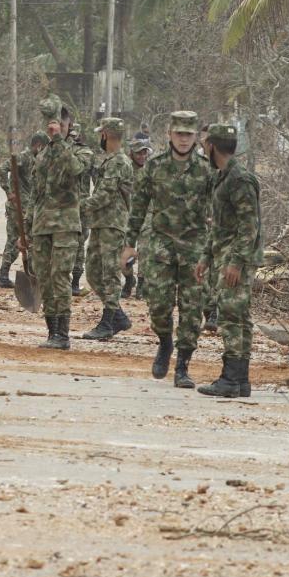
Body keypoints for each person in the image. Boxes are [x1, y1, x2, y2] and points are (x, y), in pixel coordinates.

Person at [123, 111, 214, 387]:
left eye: (189, 134)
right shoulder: (155, 167)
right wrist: (129, 244)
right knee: (159, 305)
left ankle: (183, 366)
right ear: (169, 135)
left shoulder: (206, 169)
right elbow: (138, 207)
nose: (184, 140)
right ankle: (165, 343)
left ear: (196, 136)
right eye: (179, 134)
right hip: (161, 246)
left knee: (191, 308)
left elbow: (218, 208)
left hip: (195, 247)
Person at [194, 123, 263, 397]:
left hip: (238, 259)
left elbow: (249, 226)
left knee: (233, 318)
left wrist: (235, 262)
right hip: (225, 254)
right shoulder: (222, 177)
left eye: (204, 144)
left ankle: (231, 380)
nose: (202, 147)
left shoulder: (239, 179)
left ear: (212, 146)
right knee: (239, 317)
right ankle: (240, 380)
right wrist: (206, 257)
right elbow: (220, 226)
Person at [26, 97, 83, 349]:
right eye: (52, 123)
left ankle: (63, 334)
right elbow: (35, 193)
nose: (56, 127)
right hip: (42, 226)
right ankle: (52, 332)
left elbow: (74, 170)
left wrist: (59, 140)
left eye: (61, 123)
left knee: (60, 276)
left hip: (65, 226)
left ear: (68, 125)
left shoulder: (79, 150)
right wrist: (26, 228)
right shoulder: (42, 154)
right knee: (44, 278)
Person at [79, 118, 136, 341]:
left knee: (110, 274)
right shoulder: (109, 160)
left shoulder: (119, 162)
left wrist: (79, 207)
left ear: (105, 135)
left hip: (113, 225)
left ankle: (108, 321)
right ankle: (118, 315)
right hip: (101, 223)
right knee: (93, 272)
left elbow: (105, 195)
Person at [0, 132, 47, 287]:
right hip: (19, 208)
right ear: (38, 145)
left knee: (16, 240)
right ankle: (28, 275)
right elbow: (2, 168)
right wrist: (9, 191)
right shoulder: (25, 157)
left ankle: (5, 275)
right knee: (25, 240)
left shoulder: (36, 159)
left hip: (27, 207)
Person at [122, 136, 151, 299]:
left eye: (144, 153)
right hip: (128, 214)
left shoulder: (151, 170)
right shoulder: (125, 169)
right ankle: (128, 279)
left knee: (145, 249)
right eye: (138, 153)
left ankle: (141, 284)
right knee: (125, 250)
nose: (141, 156)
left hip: (148, 214)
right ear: (131, 154)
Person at [68, 123, 94, 297]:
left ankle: (75, 282)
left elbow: (82, 170)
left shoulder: (84, 153)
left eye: (74, 135)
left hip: (80, 206)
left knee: (78, 245)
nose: (72, 138)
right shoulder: (53, 150)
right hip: (61, 205)